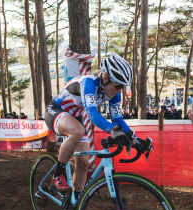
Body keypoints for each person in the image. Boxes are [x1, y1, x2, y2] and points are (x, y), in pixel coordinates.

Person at [44, 53, 142, 198]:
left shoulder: (115, 93)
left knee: (84, 164)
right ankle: (57, 175)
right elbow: (91, 114)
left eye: (123, 86)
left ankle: (76, 206)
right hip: (56, 110)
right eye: (118, 85)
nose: (120, 90)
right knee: (78, 131)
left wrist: (135, 139)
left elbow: (118, 120)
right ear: (106, 78)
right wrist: (112, 130)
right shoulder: (88, 82)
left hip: (75, 117)